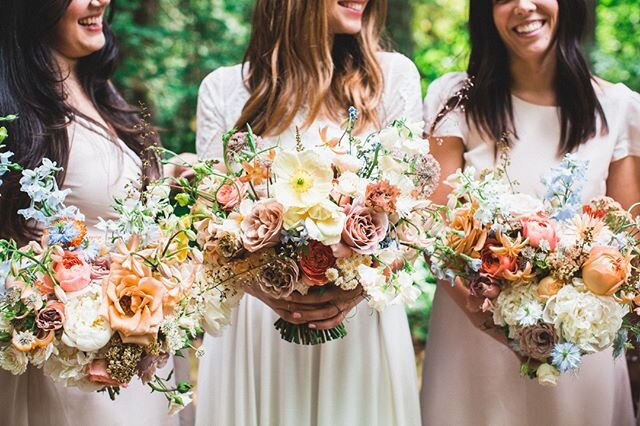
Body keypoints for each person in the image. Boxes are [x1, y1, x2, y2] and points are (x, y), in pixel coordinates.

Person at [195, 0, 423, 424]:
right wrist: (266, 290)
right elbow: (207, 227)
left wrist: (355, 290)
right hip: (258, 328)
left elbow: (416, 220)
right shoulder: (224, 90)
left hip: (361, 326)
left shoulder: (393, 78)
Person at [421, 0, 640, 424]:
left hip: (575, 347)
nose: (523, 6)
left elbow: (627, 242)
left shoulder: (618, 108)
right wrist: (490, 321)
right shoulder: (455, 98)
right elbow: (432, 229)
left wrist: (568, 320)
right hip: (471, 340)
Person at [0, 0, 184, 425]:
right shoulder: (18, 115)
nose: (100, 0)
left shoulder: (99, 92)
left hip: (132, 354)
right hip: (73, 374)